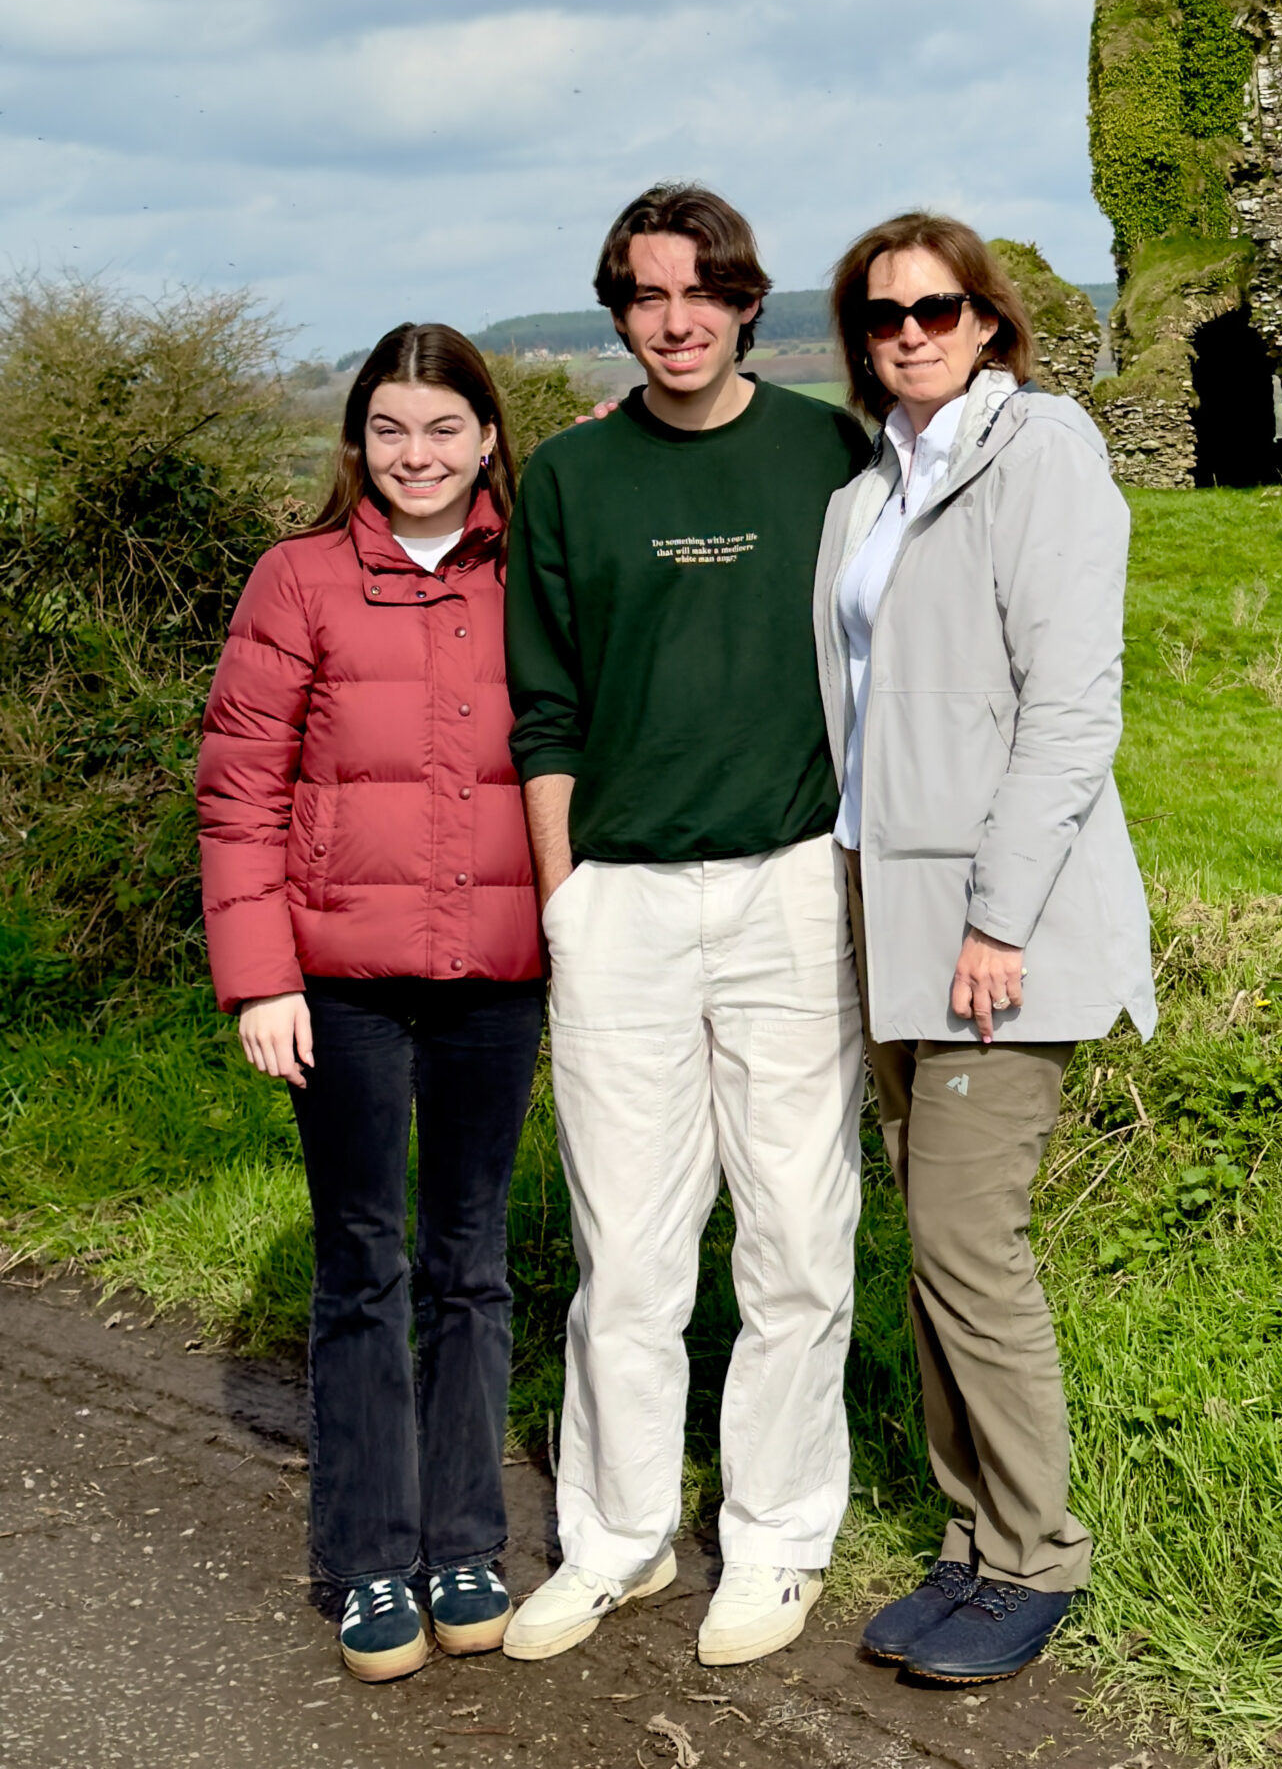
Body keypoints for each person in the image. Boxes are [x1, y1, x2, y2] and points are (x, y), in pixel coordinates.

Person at [502, 183, 871, 1670]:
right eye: (648, 296)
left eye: (703, 293)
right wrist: (564, 897)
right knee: (631, 1249)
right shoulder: (573, 483)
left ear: (744, 303)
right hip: (624, 900)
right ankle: (618, 1540)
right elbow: (543, 708)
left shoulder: (828, 454)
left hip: (791, 882)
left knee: (794, 1233)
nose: (676, 320)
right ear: (619, 312)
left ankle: (776, 1543)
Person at [812, 212, 1155, 1687]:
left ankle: (1036, 1555)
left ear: (989, 321)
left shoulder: (1045, 454)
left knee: (967, 1242)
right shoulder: (864, 492)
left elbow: (1072, 707)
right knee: (928, 1242)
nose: (910, 332)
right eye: (883, 315)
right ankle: (969, 1541)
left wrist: (997, 918)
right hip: (879, 917)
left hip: (995, 931)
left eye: (938, 310)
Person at [198, 325, 543, 1684]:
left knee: (469, 1267)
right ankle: (367, 1560)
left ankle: (465, 1543)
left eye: (442, 431)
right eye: (391, 431)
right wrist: (261, 975)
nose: (417, 456)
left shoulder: (531, 575)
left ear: (486, 440)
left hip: (497, 981)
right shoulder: (297, 581)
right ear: (360, 443)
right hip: (336, 983)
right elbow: (239, 788)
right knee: (364, 1268)